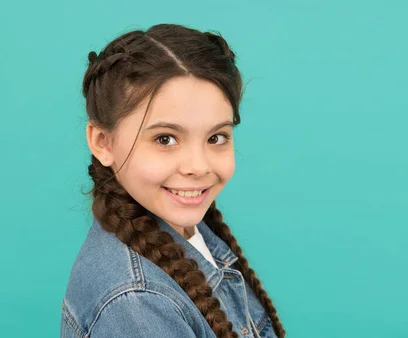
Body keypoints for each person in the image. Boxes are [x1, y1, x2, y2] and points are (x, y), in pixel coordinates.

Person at [60, 23, 285, 338]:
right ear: (103, 142)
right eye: (165, 139)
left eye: (216, 137)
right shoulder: (137, 303)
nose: (197, 166)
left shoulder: (193, 238)